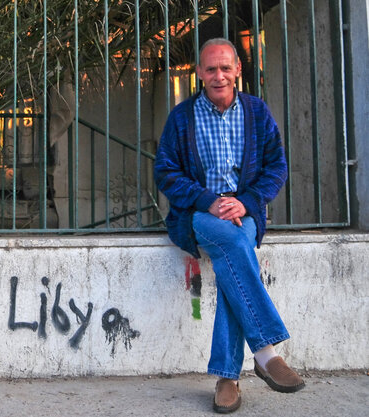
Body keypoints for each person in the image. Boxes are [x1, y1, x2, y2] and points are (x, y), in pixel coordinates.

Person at [154, 38, 305, 414]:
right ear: (199, 73)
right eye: (210, 69)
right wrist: (210, 201)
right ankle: (267, 353)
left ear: (238, 70)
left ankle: (227, 376)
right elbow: (166, 172)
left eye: (225, 68)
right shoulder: (182, 116)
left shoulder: (256, 111)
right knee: (236, 248)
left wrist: (245, 201)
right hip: (201, 214)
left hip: (246, 212)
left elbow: (276, 168)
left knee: (232, 260)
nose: (218, 75)